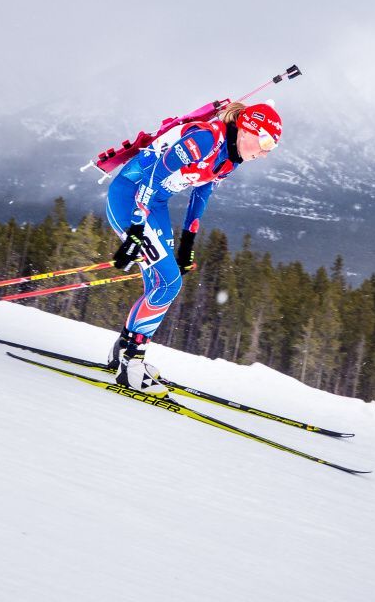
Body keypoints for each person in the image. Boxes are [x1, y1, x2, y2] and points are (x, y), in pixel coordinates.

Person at [103, 101, 283, 392]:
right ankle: (132, 364)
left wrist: (188, 241)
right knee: (168, 285)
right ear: (248, 129)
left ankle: (123, 352)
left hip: (154, 205)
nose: (264, 152)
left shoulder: (230, 158)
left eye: (271, 147)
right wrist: (136, 224)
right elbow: (153, 174)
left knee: (160, 283)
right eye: (264, 141)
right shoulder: (205, 139)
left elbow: (203, 190)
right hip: (130, 199)